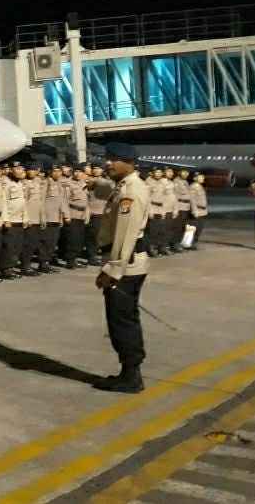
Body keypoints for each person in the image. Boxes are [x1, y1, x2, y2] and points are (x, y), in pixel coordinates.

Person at [94, 143, 150, 394]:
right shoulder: (124, 185)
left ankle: (131, 377)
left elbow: (125, 235)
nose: (108, 163)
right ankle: (129, 372)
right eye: (108, 158)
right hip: (129, 263)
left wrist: (112, 270)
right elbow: (108, 190)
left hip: (126, 266)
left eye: (114, 159)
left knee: (122, 322)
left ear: (130, 163)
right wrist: (94, 184)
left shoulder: (131, 192)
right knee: (124, 319)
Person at [0, 162, 26, 280]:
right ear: (11, 170)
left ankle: (12, 267)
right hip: (10, 220)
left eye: (21, 169)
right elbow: (3, 202)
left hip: (19, 219)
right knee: (8, 246)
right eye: (17, 169)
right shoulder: (5, 183)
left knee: (17, 246)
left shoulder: (20, 183)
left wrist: (25, 218)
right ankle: (5, 269)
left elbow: (23, 202)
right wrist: (5, 219)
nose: (20, 171)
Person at [38, 164, 68, 273]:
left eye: (59, 171)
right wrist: (42, 216)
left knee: (53, 242)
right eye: (54, 171)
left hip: (56, 217)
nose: (57, 173)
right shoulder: (46, 183)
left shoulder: (59, 184)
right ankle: (43, 264)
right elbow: (41, 200)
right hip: (48, 218)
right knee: (45, 242)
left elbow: (61, 201)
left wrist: (62, 216)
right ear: (50, 172)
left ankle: (47, 262)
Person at [63, 164, 90, 269]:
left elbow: (87, 201)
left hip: (82, 215)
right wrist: (67, 215)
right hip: (72, 214)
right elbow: (65, 201)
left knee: (79, 239)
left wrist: (87, 215)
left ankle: (74, 259)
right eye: (76, 171)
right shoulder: (69, 184)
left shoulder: (84, 184)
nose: (78, 174)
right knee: (72, 239)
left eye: (80, 172)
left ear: (83, 173)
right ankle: (70, 261)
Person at [19, 163, 44, 276]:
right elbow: (23, 202)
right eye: (29, 170)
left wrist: (42, 217)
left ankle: (27, 265)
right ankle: (25, 266)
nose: (31, 172)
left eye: (33, 170)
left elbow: (40, 201)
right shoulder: (24, 183)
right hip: (29, 218)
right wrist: (26, 217)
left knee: (33, 243)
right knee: (28, 244)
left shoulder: (38, 182)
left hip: (37, 217)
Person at [85, 163, 112, 265]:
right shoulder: (88, 181)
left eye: (99, 168)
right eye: (94, 168)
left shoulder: (107, 182)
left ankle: (98, 255)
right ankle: (92, 256)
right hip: (93, 212)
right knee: (93, 236)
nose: (96, 170)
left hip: (104, 212)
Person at [188, 173, 208, 249]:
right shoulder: (193, 187)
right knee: (193, 228)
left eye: (203, 177)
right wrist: (194, 210)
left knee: (199, 228)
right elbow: (192, 200)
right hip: (197, 211)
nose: (202, 178)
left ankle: (194, 243)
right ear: (195, 178)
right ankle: (189, 243)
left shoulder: (200, 186)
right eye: (200, 177)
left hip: (202, 211)